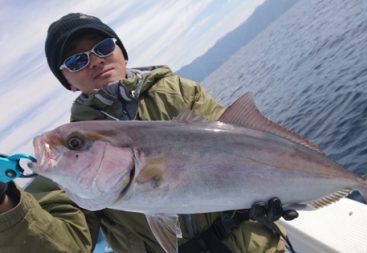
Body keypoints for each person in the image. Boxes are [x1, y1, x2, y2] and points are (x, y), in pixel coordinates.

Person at [0, 13, 298, 253]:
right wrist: (5, 203)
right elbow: (65, 244)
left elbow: (239, 143)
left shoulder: (179, 93)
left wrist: (275, 190)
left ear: (121, 52)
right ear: (68, 82)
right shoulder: (68, 158)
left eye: (102, 47)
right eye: (77, 60)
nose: (95, 60)